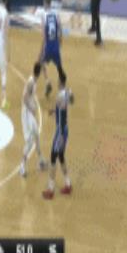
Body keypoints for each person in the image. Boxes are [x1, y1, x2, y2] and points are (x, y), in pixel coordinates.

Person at [42, 71, 74, 199]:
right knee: (60, 156)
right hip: (65, 129)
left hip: (60, 132)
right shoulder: (67, 92)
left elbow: (60, 108)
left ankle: (50, 190)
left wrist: (54, 110)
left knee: (53, 157)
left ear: (59, 81)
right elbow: (69, 103)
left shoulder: (59, 96)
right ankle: (68, 184)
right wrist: (54, 111)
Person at [20, 62, 47, 177]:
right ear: (39, 72)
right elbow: (24, 97)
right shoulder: (31, 82)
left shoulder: (33, 81)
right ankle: (22, 166)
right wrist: (31, 108)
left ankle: (40, 160)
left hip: (30, 113)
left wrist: (33, 107)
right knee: (30, 140)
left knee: (36, 135)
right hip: (27, 114)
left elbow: (29, 97)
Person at [39, 0, 66, 98]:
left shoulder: (43, 16)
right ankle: (63, 87)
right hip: (56, 45)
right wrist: (60, 41)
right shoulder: (56, 14)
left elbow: (43, 36)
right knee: (59, 67)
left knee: (41, 63)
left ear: (46, 4)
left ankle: (48, 83)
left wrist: (42, 49)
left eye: (44, 3)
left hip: (48, 46)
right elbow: (60, 29)